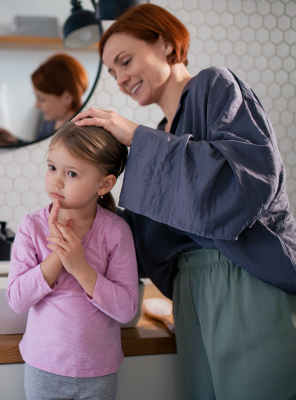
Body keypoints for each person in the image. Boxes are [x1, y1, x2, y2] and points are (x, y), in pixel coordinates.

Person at [72, 4, 296, 399]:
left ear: (164, 42)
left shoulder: (215, 86)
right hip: (191, 293)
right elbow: (150, 231)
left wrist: (136, 136)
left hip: (244, 280)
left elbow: (250, 178)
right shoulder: (161, 132)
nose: (121, 79)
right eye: (112, 73)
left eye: (125, 61)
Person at [7, 121, 138, 400]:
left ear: (104, 184)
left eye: (72, 173)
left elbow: (127, 309)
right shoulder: (32, 226)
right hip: (44, 367)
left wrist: (80, 267)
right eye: (52, 167)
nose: (56, 180)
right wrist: (58, 256)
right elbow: (16, 300)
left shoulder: (115, 231)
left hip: (98, 371)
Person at [0, 53, 88, 145]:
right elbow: (40, 150)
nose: (36, 105)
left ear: (67, 98)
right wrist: (15, 141)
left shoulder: (82, 133)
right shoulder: (51, 121)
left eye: (42, 99)